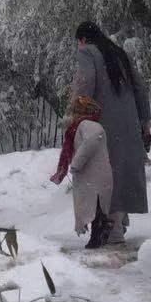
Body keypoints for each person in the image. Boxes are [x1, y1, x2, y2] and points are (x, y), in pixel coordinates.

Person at [68, 21, 151, 243]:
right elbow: (140, 89)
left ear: (83, 40)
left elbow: (85, 85)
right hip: (128, 123)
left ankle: (110, 228)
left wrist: (76, 116)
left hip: (103, 123)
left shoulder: (87, 53)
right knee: (120, 173)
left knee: (103, 174)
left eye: (78, 42)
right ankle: (117, 227)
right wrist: (145, 120)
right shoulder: (119, 53)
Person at [50, 94, 113, 248]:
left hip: (93, 176)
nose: (70, 115)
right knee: (94, 207)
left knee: (94, 206)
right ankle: (99, 232)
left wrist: (76, 163)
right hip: (93, 175)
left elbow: (93, 140)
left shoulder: (87, 124)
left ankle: (99, 233)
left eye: (72, 111)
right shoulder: (85, 125)